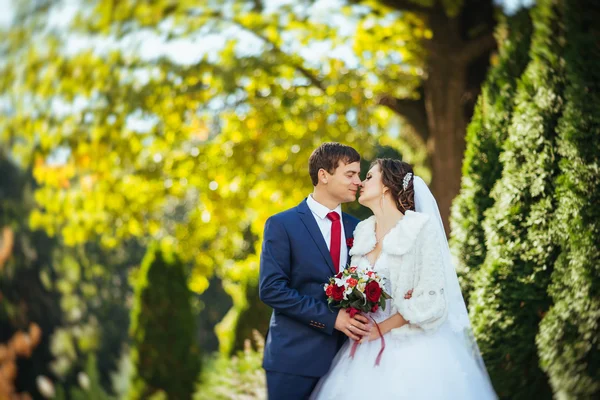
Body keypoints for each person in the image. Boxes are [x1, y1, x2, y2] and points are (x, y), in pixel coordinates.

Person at [311, 158, 497, 400]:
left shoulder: (420, 228)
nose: (360, 183)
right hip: (361, 350)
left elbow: (432, 299)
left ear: (386, 185)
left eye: (368, 177)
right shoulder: (362, 231)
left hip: (412, 348)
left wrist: (383, 327)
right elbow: (357, 285)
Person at [259, 143, 372, 399]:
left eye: (359, 174)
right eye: (350, 174)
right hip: (294, 360)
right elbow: (271, 290)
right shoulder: (281, 225)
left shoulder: (361, 228)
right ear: (324, 175)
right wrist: (333, 318)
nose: (358, 181)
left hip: (349, 361)